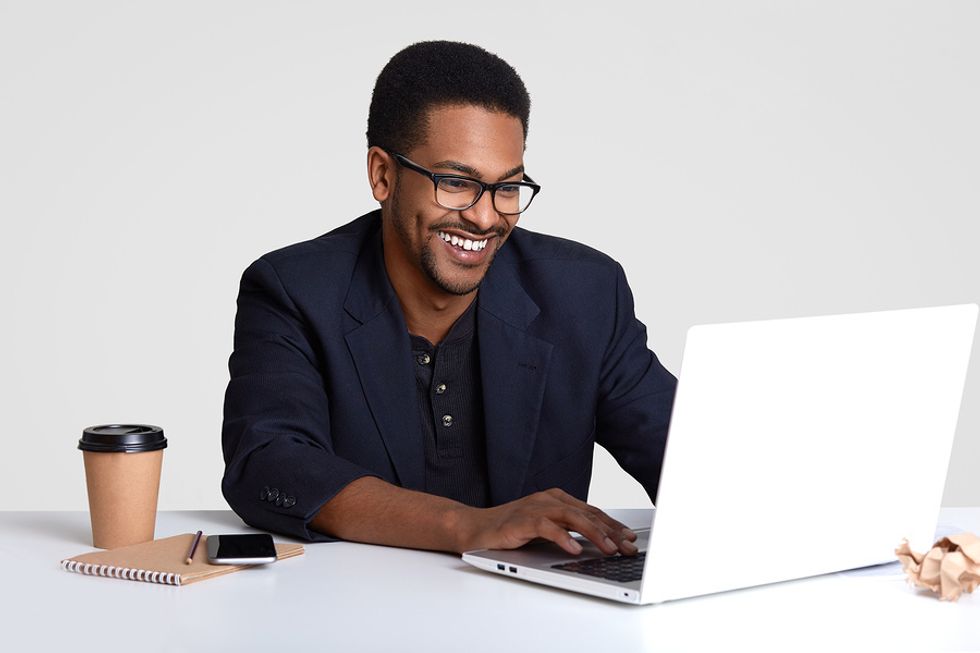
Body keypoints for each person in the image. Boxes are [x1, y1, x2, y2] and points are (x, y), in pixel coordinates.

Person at [221, 41, 677, 558]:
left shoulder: (584, 292)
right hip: (358, 617)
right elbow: (270, 461)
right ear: (382, 175)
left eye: (507, 188)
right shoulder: (295, 289)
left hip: (536, 622)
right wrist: (469, 526)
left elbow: (685, 458)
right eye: (456, 183)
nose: (486, 218)